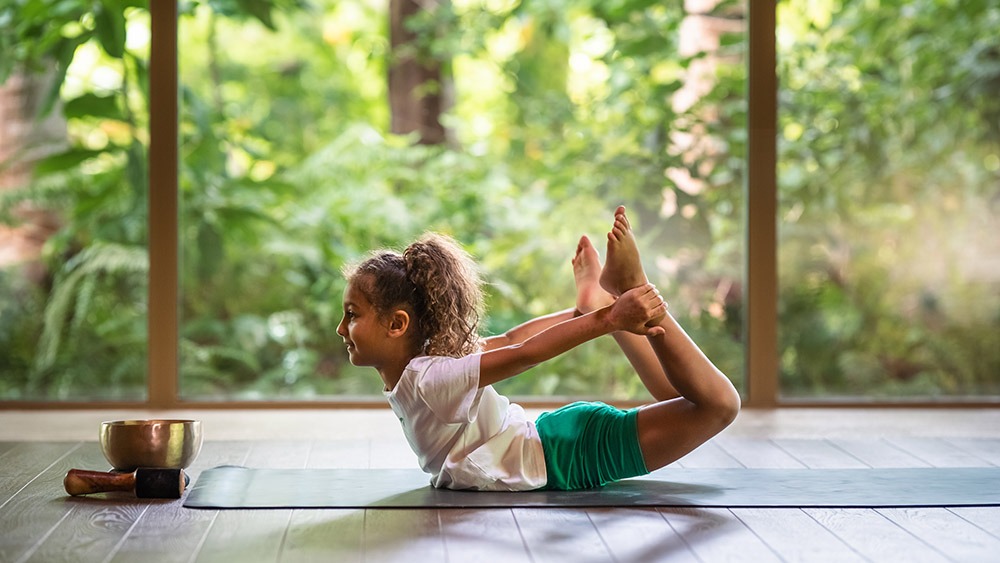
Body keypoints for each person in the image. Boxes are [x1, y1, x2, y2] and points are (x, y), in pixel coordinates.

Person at [337, 206, 741, 491]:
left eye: (352, 314)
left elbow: (523, 351)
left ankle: (634, 289)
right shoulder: (431, 368)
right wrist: (590, 313)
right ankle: (607, 299)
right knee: (685, 396)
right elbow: (512, 341)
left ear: (397, 324)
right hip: (557, 446)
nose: (341, 328)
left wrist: (610, 318)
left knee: (718, 405)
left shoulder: (431, 379)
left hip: (568, 455)